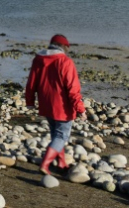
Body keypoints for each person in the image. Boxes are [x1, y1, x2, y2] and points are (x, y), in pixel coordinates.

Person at [25, 33, 86, 175]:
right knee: (61, 136)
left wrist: (30, 101)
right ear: (64, 47)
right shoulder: (65, 62)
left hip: (46, 105)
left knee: (55, 135)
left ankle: (61, 162)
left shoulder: (38, 60)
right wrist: (80, 108)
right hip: (62, 108)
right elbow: (73, 89)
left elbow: (31, 83)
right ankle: (45, 164)